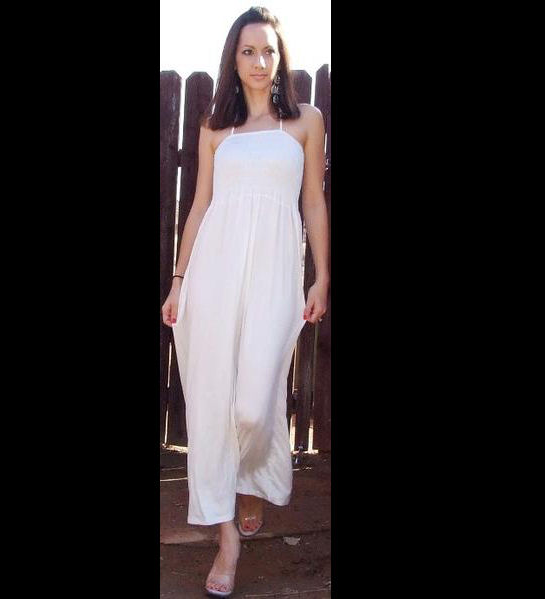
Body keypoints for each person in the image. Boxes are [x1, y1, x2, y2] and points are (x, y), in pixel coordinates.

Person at [161, 6, 329, 596]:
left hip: (275, 276)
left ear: (281, 58)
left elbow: (313, 201)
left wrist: (321, 277)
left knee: (256, 403)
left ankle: (252, 481)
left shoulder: (306, 122)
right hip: (213, 272)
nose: (260, 61)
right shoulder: (216, 129)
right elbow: (199, 206)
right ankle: (226, 534)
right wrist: (179, 280)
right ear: (233, 61)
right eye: (248, 51)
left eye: (269, 51)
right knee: (212, 400)